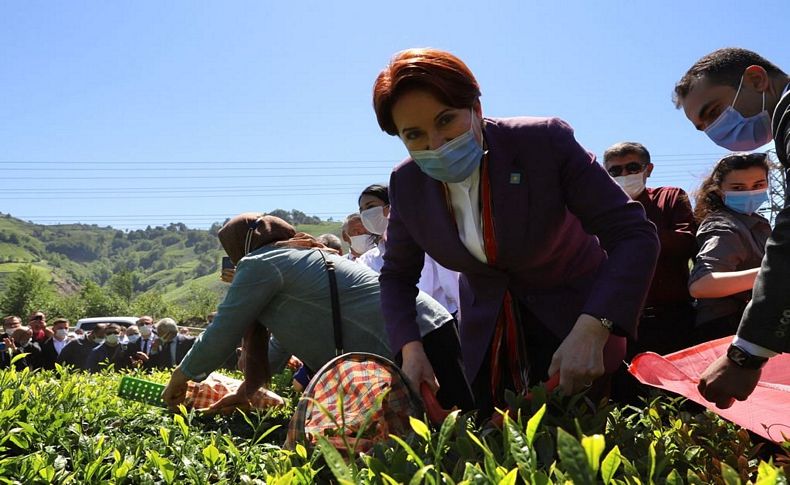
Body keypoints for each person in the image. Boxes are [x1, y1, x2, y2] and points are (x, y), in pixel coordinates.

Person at [371, 48, 659, 410]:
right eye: (414, 135)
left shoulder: (541, 143)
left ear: (476, 107)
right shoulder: (408, 183)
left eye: (446, 120)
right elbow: (396, 276)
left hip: (576, 330)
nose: (436, 145)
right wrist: (409, 347)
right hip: (489, 343)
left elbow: (633, 234)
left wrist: (595, 326)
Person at [162, 213, 474, 412]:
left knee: (450, 438)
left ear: (239, 249)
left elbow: (223, 332)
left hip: (413, 341)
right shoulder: (296, 258)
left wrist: (179, 378)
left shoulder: (260, 263)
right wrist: (245, 392)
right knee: (450, 431)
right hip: (427, 329)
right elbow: (280, 346)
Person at [673, 47, 790, 407]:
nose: (715, 131)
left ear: (756, 80)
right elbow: (703, 283)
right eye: (703, 127)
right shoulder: (726, 226)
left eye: (713, 112)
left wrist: (746, 353)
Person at [603, 142, 697, 356]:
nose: (625, 174)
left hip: (672, 316)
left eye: (633, 168)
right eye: (615, 171)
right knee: (623, 385)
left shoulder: (670, 197)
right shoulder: (600, 210)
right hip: (617, 318)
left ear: (649, 169)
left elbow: (686, 242)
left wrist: (631, 236)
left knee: (673, 385)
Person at [688, 153, 772, 341]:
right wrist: (774, 273)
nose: (750, 192)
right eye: (738, 188)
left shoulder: (758, 224)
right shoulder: (722, 226)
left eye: (758, 185)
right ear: (719, 191)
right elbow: (702, 285)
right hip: (725, 330)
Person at [358, 184, 461, 316]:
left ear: (391, 206)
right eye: (361, 210)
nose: (365, 214)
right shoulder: (366, 261)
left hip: (440, 323)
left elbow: (455, 287)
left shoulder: (429, 243)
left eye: (371, 206)